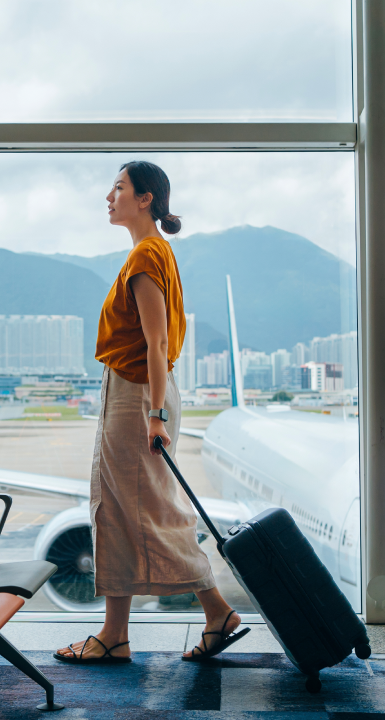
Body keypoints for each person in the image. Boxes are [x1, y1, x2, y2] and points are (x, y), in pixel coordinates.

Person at [55, 161, 247, 664]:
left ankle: (214, 611)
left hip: (139, 394)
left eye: (118, 187)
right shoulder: (154, 252)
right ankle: (116, 633)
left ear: (145, 199)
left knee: (148, 509)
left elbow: (157, 342)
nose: (108, 196)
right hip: (137, 392)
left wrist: (155, 413)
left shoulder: (145, 256)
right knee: (118, 508)